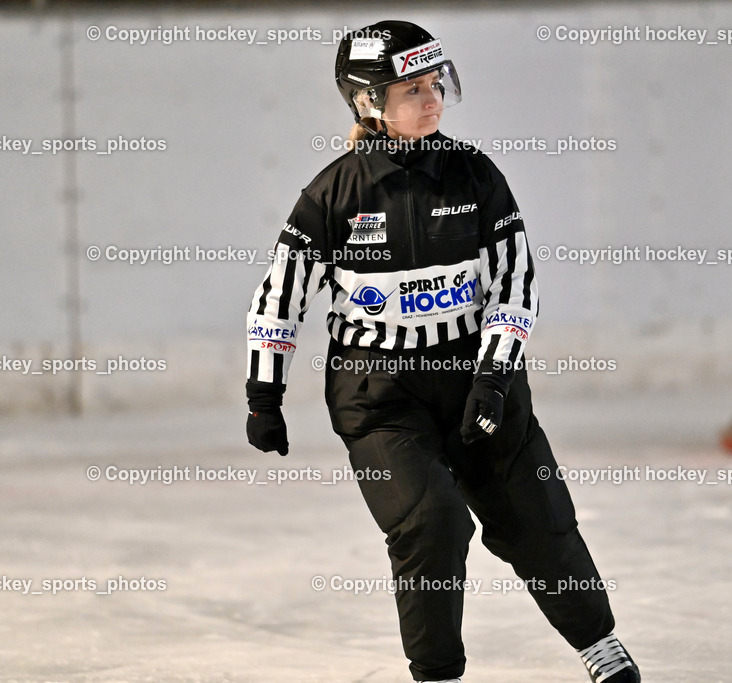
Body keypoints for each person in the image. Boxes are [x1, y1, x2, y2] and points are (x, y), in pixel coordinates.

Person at [245, 20, 640, 683]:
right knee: (431, 522)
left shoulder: (475, 175)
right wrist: (264, 394)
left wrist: (494, 378)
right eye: (413, 90)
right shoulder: (331, 195)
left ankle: (598, 643)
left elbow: (516, 283)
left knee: (537, 516)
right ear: (369, 102)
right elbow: (277, 298)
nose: (432, 100)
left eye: (437, 84)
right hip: (379, 396)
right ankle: (436, 674)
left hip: (475, 377)